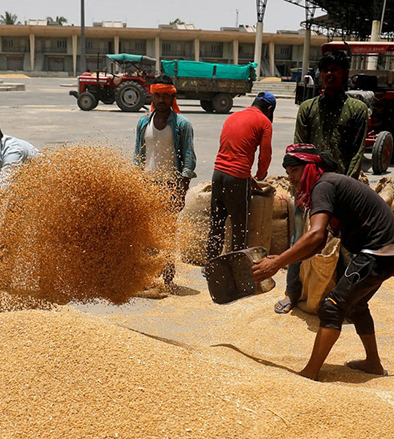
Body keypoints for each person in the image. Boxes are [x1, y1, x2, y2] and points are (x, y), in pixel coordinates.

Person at [252, 144, 394, 381]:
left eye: (294, 170)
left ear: (310, 167)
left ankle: (310, 372)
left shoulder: (323, 186)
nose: (290, 177)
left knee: (332, 306)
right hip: (387, 250)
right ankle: (373, 363)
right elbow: (320, 241)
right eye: (288, 171)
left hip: (379, 252)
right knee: (356, 305)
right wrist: (283, 261)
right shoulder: (327, 183)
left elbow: (314, 235)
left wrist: (278, 262)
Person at [277, 49, 369, 315]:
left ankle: (346, 301)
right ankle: (292, 293)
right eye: (325, 70)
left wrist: (346, 193)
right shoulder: (308, 109)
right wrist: (302, 188)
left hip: (342, 190)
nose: (330, 74)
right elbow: (298, 153)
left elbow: (356, 154)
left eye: (336, 70)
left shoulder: (357, 110)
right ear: (319, 75)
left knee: (347, 247)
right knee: (299, 240)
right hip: (308, 189)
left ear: (345, 75)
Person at [134, 75, 197, 286]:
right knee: (146, 232)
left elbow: (189, 157)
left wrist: (183, 187)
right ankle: (148, 276)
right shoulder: (143, 122)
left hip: (170, 185)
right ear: (152, 96)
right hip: (147, 184)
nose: (161, 100)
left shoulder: (182, 124)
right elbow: (138, 156)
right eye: (157, 96)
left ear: (172, 98)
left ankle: (168, 277)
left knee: (168, 232)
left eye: (165, 96)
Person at [207, 91, 276, 260]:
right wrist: (260, 175)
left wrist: (248, 177)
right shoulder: (264, 122)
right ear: (269, 109)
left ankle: (210, 264)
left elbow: (229, 147)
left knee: (217, 223)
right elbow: (265, 154)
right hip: (236, 178)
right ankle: (237, 266)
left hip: (218, 174)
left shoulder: (233, 116)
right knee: (239, 227)